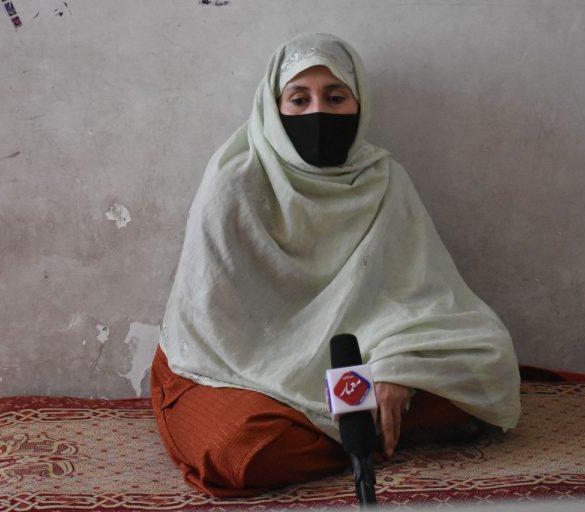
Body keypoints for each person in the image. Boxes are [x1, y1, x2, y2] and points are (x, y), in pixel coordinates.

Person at [150, 33, 521, 497]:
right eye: (299, 99)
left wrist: (399, 368)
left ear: (358, 103)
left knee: (487, 372)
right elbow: (211, 324)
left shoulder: (383, 180)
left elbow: (422, 297)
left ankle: (362, 419)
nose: (317, 113)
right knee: (240, 451)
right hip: (237, 370)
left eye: (335, 97)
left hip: (359, 361)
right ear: (274, 105)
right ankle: (363, 431)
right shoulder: (236, 180)